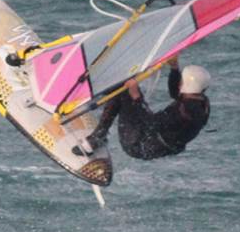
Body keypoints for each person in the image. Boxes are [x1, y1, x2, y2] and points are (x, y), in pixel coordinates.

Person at [82, 61, 210, 160]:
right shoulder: (201, 102)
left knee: (123, 90)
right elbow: (175, 93)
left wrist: (136, 96)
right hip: (157, 144)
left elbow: (150, 123)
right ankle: (99, 133)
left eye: (181, 80)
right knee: (128, 92)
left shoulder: (182, 113)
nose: (180, 82)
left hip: (139, 146)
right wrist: (174, 69)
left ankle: (96, 139)